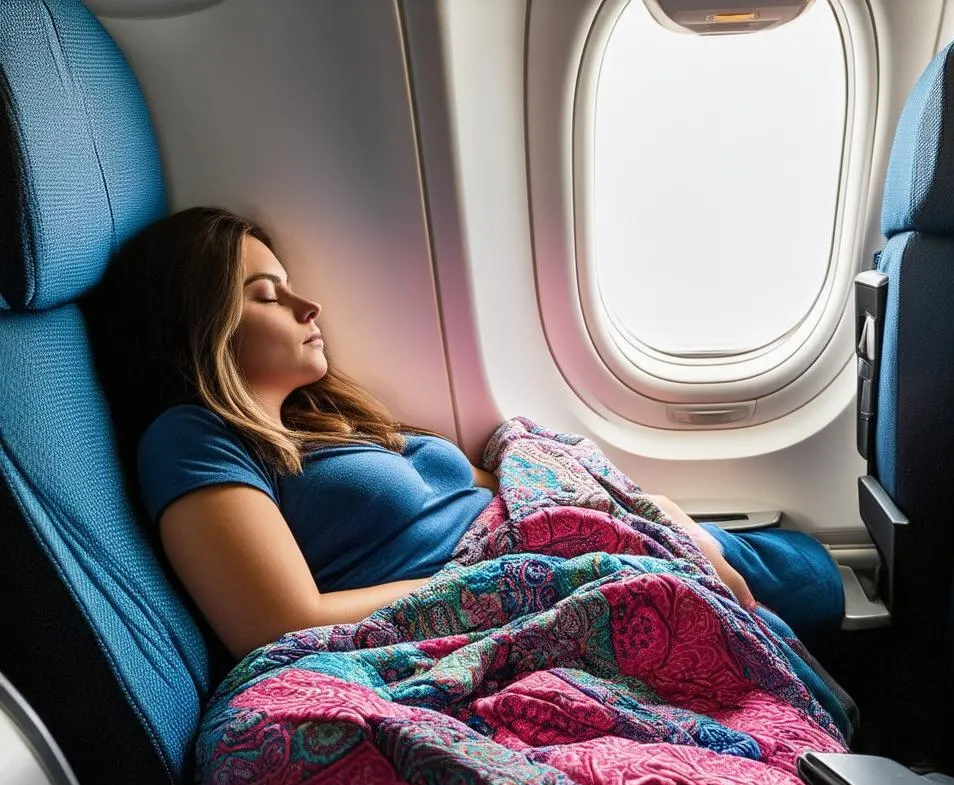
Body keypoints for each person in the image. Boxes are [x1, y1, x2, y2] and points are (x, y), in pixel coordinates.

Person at [86, 206, 757, 662]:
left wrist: (644, 509)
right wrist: (521, 574)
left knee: (811, 577)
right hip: (523, 580)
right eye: (267, 294)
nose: (307, 305)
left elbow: (501, 487)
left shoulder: (322, 422)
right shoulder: (192, 437)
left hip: (568, 539)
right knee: (808, 590)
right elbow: (278, 621)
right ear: (199, 327)